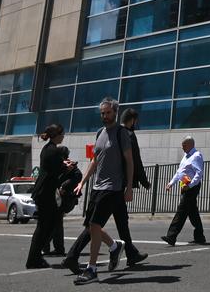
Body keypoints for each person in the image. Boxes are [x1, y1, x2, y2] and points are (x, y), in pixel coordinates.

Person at [69, 98, 134, 285]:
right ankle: (114, 246)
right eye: (102, 113)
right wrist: (82, 182)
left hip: (113, 188)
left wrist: (129, 187)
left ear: (115, 112)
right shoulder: (100, 133)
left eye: (107, 113)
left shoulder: (122, 133)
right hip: (97, 186)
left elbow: (129, 162)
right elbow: (94, 161)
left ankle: (92, 269)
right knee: (90, 226)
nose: (104, 116)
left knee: (95, 225)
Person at [26, 124, 73, 268]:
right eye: (62, 134)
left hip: (44, 192)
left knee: (46, 225)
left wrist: (63, 165)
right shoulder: (53, 151)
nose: (64, 136)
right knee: (45, 226)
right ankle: (34, 259)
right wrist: (67, 167)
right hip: (45, 192)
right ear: (57, 135)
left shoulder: (48, 149)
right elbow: (55, 170)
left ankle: (35, 257)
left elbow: (52, 167)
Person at [161, 135, 206, 247]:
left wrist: (190, 185)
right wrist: (171, 183)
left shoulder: (196, 156)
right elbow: (179, 172)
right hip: (185, 185)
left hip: (191, 187)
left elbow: (199, 173)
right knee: (192, 212)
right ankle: (200, 237)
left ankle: (171, 236)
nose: (182, 147)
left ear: (190, 144)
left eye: (184, 145)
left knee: (181, 210)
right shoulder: (186, 156)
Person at [43, 144, 72, 257]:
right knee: (56, 224)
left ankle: (47, 246)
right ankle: (57, 248)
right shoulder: (61, 165)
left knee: (51, 224)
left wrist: (63, 187)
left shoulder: (63, 165)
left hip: (57, 198)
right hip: (57, 198)